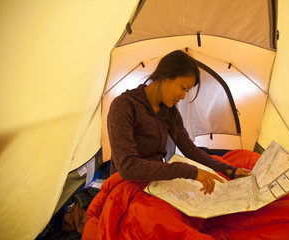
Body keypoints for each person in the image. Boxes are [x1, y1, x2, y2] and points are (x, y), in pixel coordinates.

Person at [107, 50, 251, 195]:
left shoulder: (169, 112)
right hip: (125, 186)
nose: (182, 96)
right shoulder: (124, 106)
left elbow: (190, 149)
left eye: (187, 91)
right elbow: (128, 167)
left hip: (155, 184)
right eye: (182, 87)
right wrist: (189, 171)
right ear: (164, 77)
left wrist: (228, 170)